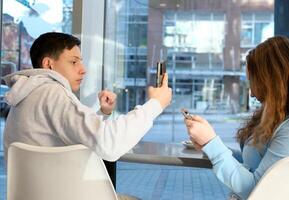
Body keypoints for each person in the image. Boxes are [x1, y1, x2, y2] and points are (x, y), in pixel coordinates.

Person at [3, 32, 172, 166]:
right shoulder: (52, 93)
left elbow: (71, 131)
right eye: (74, 62)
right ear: (48, 64)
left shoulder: (27, 95)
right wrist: (155, 104)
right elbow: (109, 145)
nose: (83, 70)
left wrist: (102, 114)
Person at [184, 36, 289, 199]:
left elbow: (256, 190)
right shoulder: (279, 116)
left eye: (253, 81)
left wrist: (212, 144)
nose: (251, 92)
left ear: (270, 81)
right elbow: (255, 165)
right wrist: (209, 145)